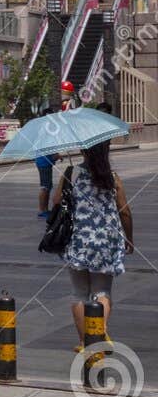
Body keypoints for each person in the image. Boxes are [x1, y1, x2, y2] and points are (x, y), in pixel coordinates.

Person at [50, 142, 135, 350]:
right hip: (106, 242)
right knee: (102, 291)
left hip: (78, 240)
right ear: (105, 151)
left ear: (82, 150)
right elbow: (124, 211)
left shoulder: (71, 172)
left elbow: (56, 201)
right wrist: (129, 237)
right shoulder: (112, 177)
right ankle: (98, 335)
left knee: (79, 293)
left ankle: (83, 341)